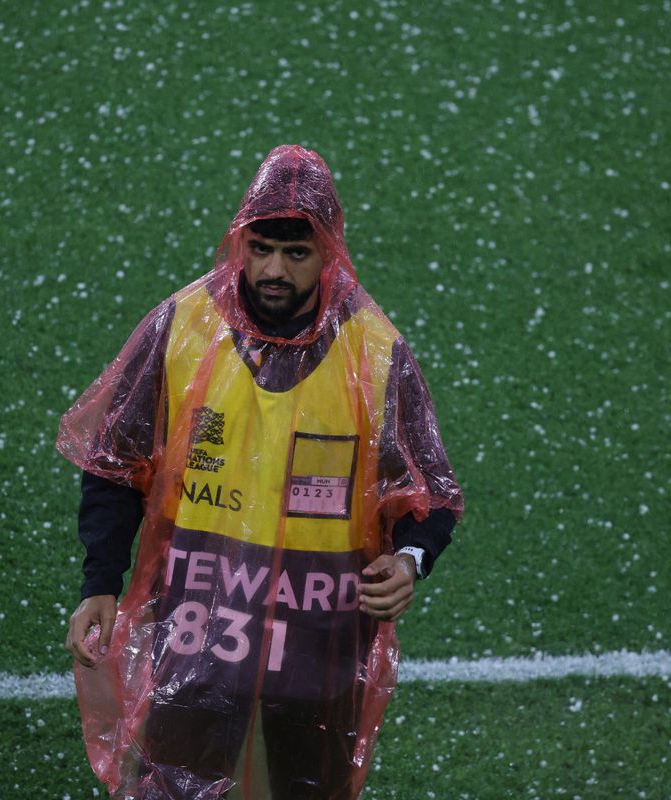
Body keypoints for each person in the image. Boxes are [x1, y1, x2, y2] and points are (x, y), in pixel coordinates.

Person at [58, 144, 463, 800]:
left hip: (318, 641)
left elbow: (430, 494)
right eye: (262, 248)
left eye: (296, 253)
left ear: (329, 253)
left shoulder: (376, 352)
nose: (275, 270)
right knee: (173, 785)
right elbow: (115, 464)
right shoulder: (181, 327)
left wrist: (411, 558)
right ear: (240, 242)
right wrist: (99, 581)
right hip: (198, 625)